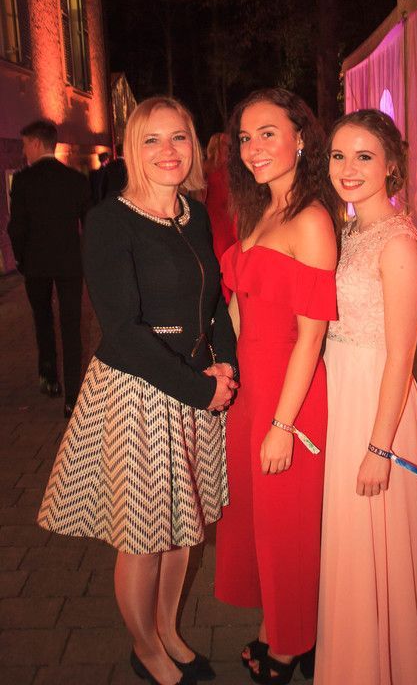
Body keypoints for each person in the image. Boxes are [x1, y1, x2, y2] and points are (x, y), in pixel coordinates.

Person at [37, 97, 239, 685]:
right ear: (131, 149)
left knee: (183, 531)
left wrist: (225, 361)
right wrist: (200, 390)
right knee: (145, 537)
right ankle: (145, 647)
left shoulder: (193, 214)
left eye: (179, 137)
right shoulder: (111, 221)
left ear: (194, 145)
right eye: (152, 139)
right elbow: (122, 332)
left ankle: (169, 630)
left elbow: (212, 300)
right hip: (140, 394)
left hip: (196, 387)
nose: (168, 151)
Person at [315, 109, 417, 685]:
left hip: (378, 408)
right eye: (339, 155)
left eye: (364, 156)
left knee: (376, 550)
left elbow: (402, 355)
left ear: (392, 164)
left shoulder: (398, 242)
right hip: (342, 394)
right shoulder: (349, 231)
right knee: (351, 552)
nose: (348, 168)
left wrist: (379, 448)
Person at [214, 88, 339, 685]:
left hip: (290, 394)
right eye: (246, 136)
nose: (253, 147)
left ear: (301, 139)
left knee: (287, 524)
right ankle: (279, 626)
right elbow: (241, 307)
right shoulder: (259, 210)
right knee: (261, 521)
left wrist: (282, 424)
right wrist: (220, 372)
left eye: (268, 133)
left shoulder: (311, 219)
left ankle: (289, 648)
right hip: (253, 389)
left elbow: (311, 337)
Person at [7, 119, 89, 417]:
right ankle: (72, 396)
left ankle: (50, 377)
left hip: (36, 263)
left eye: (25, 145)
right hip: (70, 262)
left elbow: (17, 227)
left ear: (36, 143)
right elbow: (89, 224)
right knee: (71, 326)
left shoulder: (23, 181)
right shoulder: (75, 179)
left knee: (42, 319)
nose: (24, 151)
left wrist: (20, 259)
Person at [204, 132, 236, 276]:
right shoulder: (207, 166)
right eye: (225, 144)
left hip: (230, 214)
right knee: (220, 248)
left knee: (232, 247)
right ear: (216, 145)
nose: (228, 148)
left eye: (230, 145)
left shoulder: (233, 168)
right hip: (215, 214)